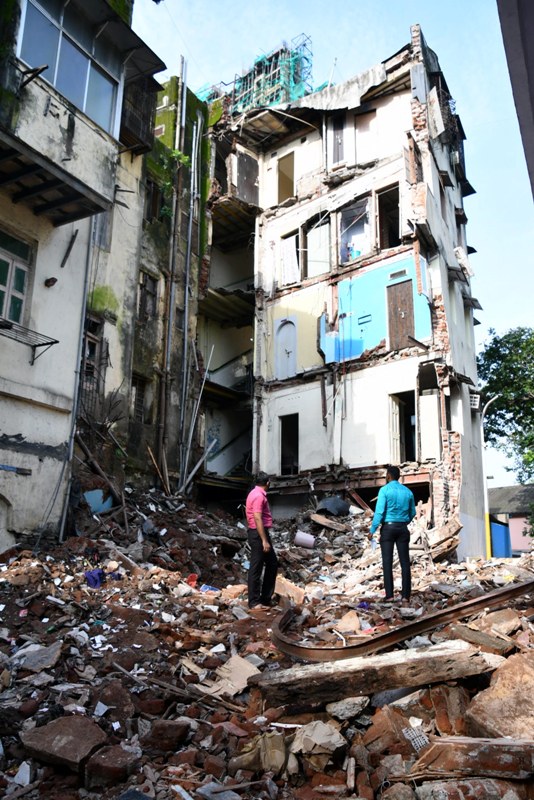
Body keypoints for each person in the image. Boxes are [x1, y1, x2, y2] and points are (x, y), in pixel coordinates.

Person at [370, 465, 416, 604]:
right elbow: (412, 512)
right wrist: (403, 521)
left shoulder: (384, 490)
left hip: (388, 529)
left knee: (387, 562)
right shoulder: (408, 492)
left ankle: (390, 595)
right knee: (405, 563)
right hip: (402, 529)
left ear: (389, 476)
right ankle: (405, 596)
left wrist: (372, 530)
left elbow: (379, 513)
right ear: (399, 477)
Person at [245, 472, 278, 610]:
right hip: (258, 534)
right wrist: (264, 540)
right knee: (256, 567)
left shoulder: (254, 493)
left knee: (272, 563)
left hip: (258, 533)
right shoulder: (259, 496)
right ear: (268, 483)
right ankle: (254, 602)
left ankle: (265, 598)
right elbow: (257, 517)